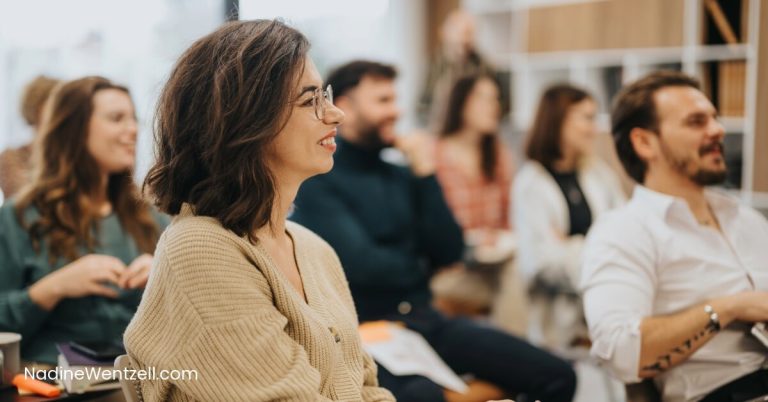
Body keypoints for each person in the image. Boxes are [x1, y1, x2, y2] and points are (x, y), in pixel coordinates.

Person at [123, 20, 395, 402]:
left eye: (326, 95)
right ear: (246, 121)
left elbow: (366, 390)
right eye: (309, 100)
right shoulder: (200, 249)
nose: (336, 115)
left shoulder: (314, 249)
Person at [291, 60, 576, 402]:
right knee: (423, 396)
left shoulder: (401, 174)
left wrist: (426, 173)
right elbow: (361, 265)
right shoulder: (320, 180)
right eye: (383, 101)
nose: (396, 111)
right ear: (346, 106)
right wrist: (422, 263)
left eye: (395, 100)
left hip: (425, 319)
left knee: (558, 375)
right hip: (367, 330)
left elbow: (450, 249)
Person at [581, 70, 768, 402]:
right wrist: (730, 307)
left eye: (714, 118)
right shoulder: (623, 232)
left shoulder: (746, 219)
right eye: (696, 122)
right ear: (644, 143)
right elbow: (619, 351)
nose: (718, 129)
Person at [0, 76, 168, 365]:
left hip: (138, 379)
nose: (132, 131)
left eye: (133, 119)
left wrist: (164, 278)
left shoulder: (150, 216)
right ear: (74, 131)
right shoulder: (19, 218)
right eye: (117, 119)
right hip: (53, 382)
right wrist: (54, 287)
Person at [514, 84, 625, 349]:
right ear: (558, 121)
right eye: (586, 118)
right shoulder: (530, 183)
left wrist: (570, 246)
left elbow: (625, 232)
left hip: (606, 298)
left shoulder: (598, 172)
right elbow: (539, 263)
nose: (594, 128)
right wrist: (599, 251)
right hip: (558, 316)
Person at [430, 73, 525, 335]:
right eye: (483, 98)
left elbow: (511, 216)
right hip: (450, 269)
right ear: (460, 103)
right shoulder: (433, 155)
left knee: (520, 273)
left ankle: (517, 357)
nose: (493, 106)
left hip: (494, 263)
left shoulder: (498, 154)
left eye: (495, 99)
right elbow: (427, 225)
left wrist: (498, 236)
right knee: (516, 287)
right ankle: (514, 355)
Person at [420, 10, 497, 130]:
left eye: (470, 33)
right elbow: (422, 104)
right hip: (438, 130)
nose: (465, 39)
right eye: (462, 32)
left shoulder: (483, 67)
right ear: (445, 33)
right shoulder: (433, 65)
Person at [0, 75, 60, 198]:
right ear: (38, 109)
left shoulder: (66, 156)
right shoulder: (11, 157)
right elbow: (20, 197)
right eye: (56, 105)